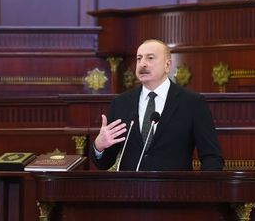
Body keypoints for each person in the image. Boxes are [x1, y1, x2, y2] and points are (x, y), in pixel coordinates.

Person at [92, 39, 224, 171]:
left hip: (174, 184)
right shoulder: (121, 103)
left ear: (167, 65)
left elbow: (212, 157)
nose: (142, 64)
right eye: (139, 58)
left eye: (150, 58)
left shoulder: (192, 103)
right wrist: (99, 146)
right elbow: (105, 163)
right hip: (130, 184)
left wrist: (206, 183)